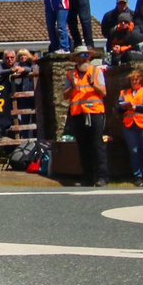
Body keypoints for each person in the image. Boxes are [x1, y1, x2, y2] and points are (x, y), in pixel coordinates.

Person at [63, 45, 108, 187]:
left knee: (97, 145)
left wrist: (93, 84)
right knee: (83, 147)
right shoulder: (70, 75)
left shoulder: (96, 72)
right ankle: (88, 177)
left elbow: (103, 92)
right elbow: (65, 95)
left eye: (86, 55)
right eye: (81, 56)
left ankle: (102, 177)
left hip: (94, 113)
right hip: (78, 114)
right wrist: (74, 87)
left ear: (89, 57)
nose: (84, 58)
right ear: (76, 58)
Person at [117, 70, 143, 186]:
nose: (134, 82)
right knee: (134, 151)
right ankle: (138, 176)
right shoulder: (124, 93)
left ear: (141, 80)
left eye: (136, 79)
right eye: (132, 80)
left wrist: (135, 107)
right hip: (130, 125)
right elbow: (119, 109)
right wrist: (126, 107)